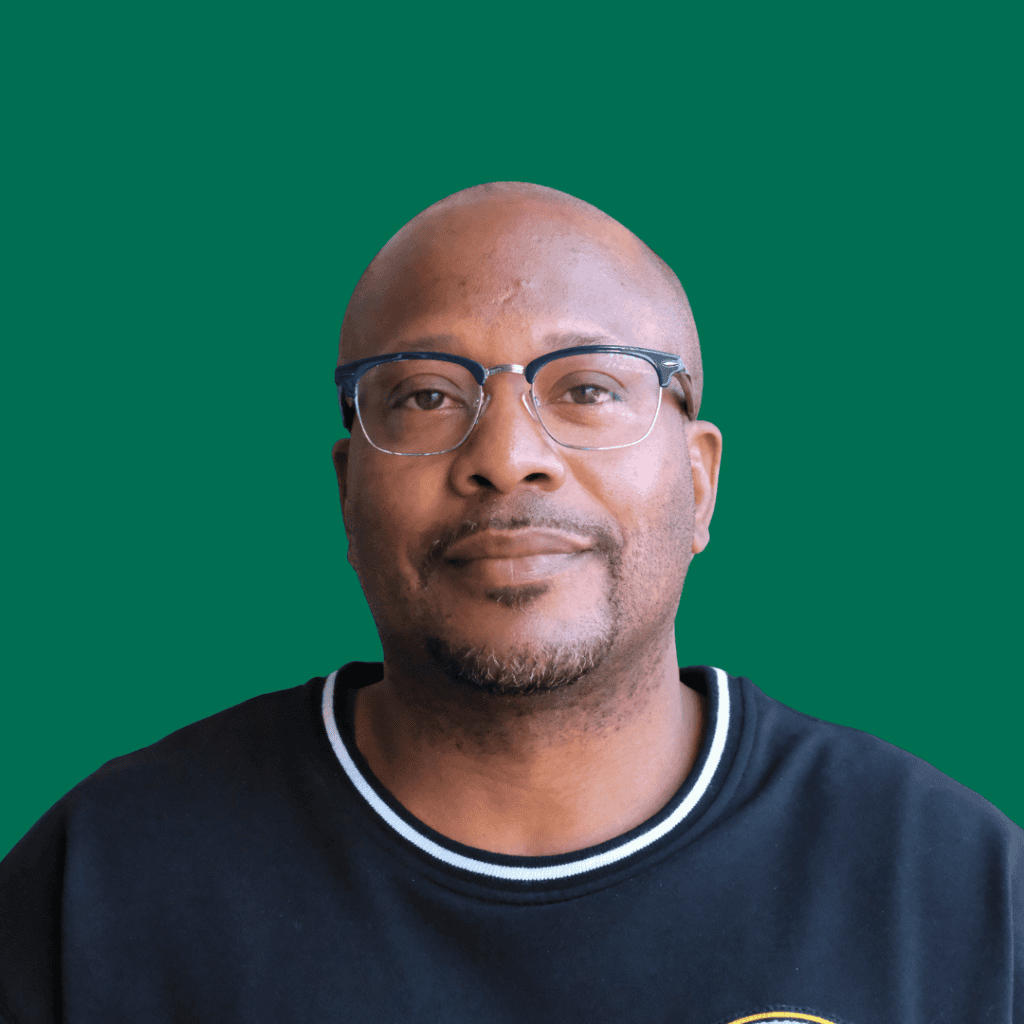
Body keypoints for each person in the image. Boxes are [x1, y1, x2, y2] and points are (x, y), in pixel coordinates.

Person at [1, 183, 1020, 1024]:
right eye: (428, 396)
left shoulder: (955, 893)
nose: (508, 457)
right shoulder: (101, 883)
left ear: (700, 483)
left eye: (586, 388)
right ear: (347, 491)